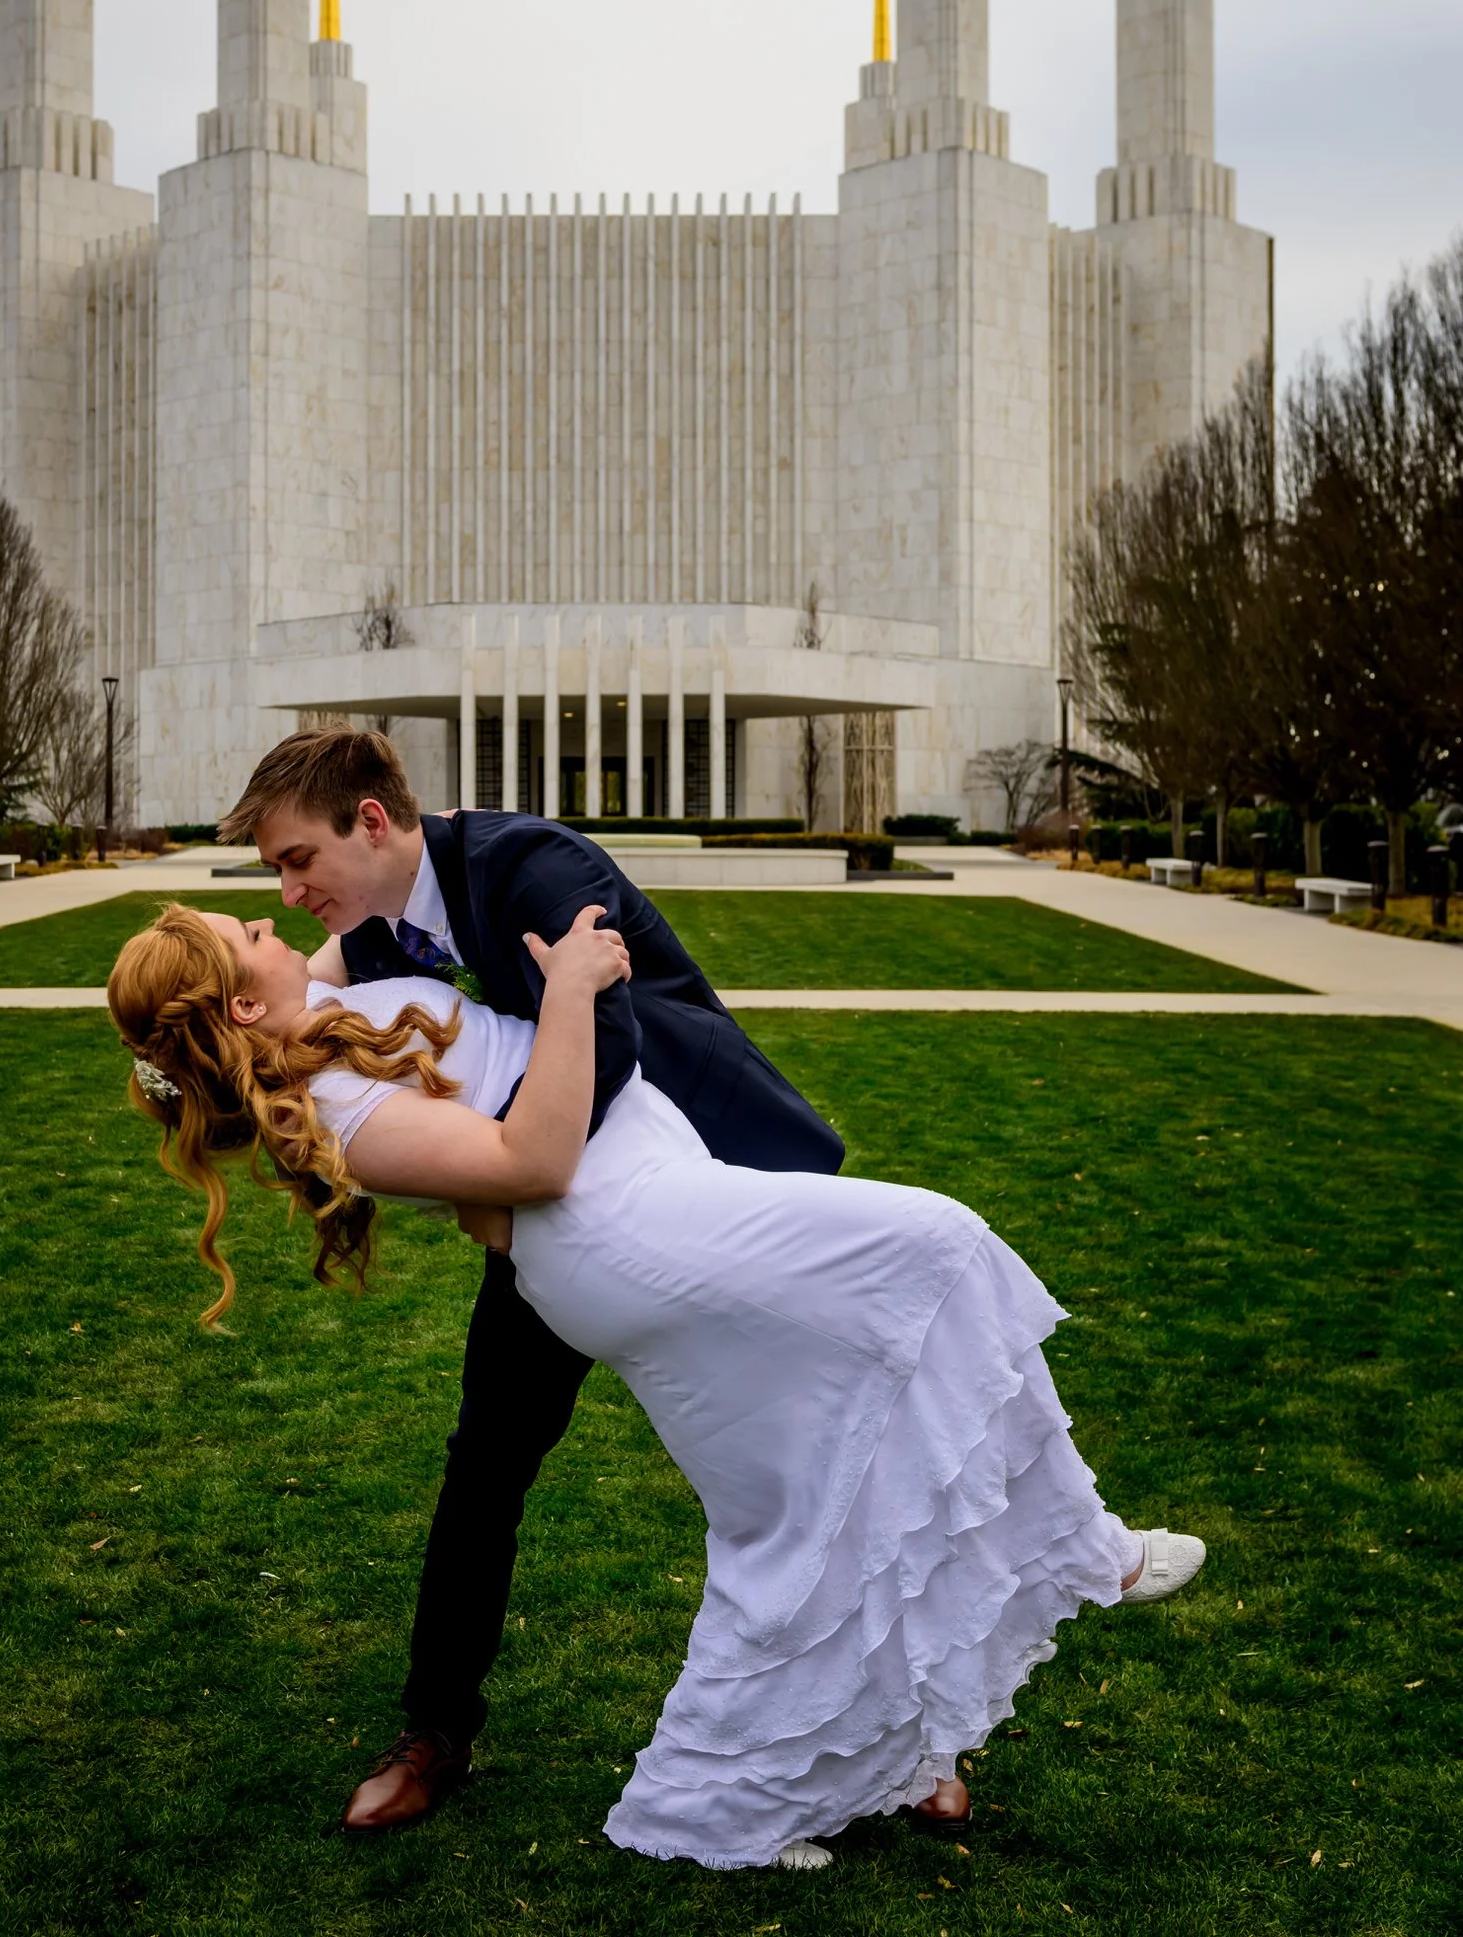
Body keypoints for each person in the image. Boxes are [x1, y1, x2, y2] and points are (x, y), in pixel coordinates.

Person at [108, 896, 1206, 1874]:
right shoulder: (346, 1109)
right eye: (247, 935)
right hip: (631, 1231)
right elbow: (533, 1168)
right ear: (243, 1011)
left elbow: (388, 889)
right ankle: (1082, 1548)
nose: (274, 920)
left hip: (657, 1200)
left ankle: (727, 1803)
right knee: (942, 1246)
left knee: (792, 1499)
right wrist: (574, 989)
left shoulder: (320, 1006)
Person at [214, 724, 845, 1832]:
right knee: (487, 1461)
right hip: (558, 1238)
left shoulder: (536, 868)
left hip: (706, 1181)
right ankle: (434, 1733)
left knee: (808, 1459)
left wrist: (490, 1194)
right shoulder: (373, 928)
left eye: (296, 859)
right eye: (276, 872)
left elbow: (596, 1062)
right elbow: (257, 1007)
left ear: (369, 823)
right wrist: (179, 1057)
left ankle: (918, 1735)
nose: (289, 888)